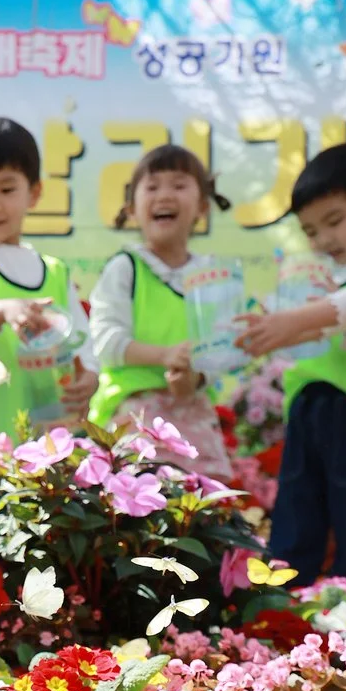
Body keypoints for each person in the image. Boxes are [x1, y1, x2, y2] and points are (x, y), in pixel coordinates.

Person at [256, 142, 346, 587]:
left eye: (334, 221)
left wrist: (312, 322)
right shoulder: (316, 276)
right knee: (295, 522)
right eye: (311, 231)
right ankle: (280, 610)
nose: (324, 240)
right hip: (307, 411)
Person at [0, 117, 98, 437]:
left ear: (34, 193)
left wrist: (90, 375)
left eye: (7, 189)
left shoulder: (55, 272)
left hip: (41, 449)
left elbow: (82, 342)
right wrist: (0, 311)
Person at [88, 144, 233, 481]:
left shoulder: (211, 276)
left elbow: (223, 349)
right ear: (132, 208)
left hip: (193, 413)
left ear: (202, 206)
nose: (164, 195)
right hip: (132, 414)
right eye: (152, 187)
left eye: (179, 185)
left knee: (202, 503)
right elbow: (106, 341)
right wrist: (166, 356)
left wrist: (196, 378)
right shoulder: (125, 267)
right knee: (134, 502)